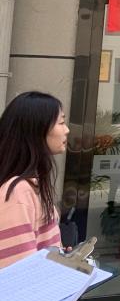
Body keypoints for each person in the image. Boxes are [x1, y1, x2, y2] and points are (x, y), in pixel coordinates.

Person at [0, 92, 68, 269]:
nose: (67, 130)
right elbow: (20, 272)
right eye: (61, 122)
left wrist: (63, 259)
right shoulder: (17, 192)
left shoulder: (30, 185)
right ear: (37, 129)